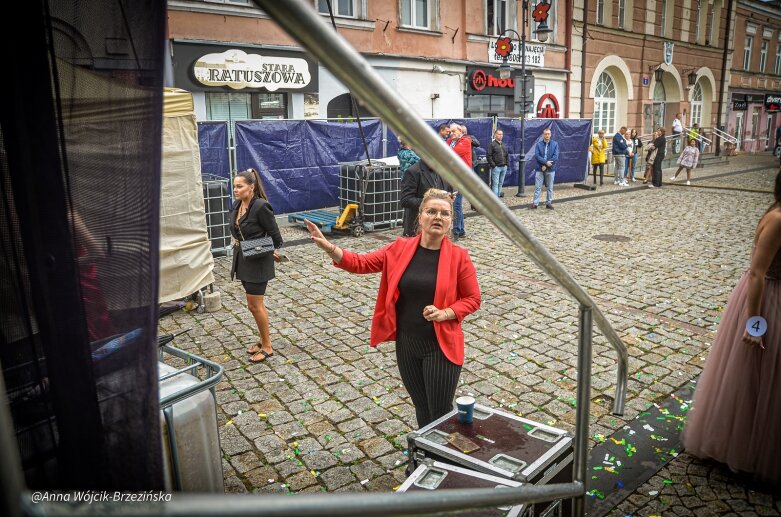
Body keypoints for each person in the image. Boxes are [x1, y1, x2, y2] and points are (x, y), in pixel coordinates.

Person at [305, 189, 481, 429]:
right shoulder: (400, 248)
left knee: (440, 413)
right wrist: (328, 247)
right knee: (421, 406)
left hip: (440, 347)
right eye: (431, 211)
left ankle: (444, 461)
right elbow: (361, 263)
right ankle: (424, 458)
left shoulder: (459, 257)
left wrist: (446, 312)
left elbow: (473, 298)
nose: (438, 217)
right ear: (420, 217)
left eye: (445, 213)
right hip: (407, 344)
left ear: (451, 220)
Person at [681, 170, 781, 489]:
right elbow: (757, 273)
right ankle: (737, 443)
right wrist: (755, 323)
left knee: (767, 377)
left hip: (773, 296)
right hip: (765, 299)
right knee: (753, 372)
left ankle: (752, 439)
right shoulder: (778, 218)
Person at [230, 168, 284, 363]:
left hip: (258, 261)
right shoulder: (237, 205)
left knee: (255, 305)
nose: (235, 189)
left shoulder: (261, 207)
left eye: (240, 186)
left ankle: (267, 346)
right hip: (243, 259)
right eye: (234, 186)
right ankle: (263, 340)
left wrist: (263, 249)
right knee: (253, 305)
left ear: (251, 187)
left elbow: (276, 238)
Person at [400, 160, 451, 237]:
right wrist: (431, 203)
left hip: (440, 229)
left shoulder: (443, 170)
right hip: (418, 228)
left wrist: (449, 198)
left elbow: (448, 189)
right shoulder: (413, 171)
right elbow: (406, 200)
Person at [447, 123, 472, 240]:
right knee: (457, 204)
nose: (451, 134)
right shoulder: (450, 142)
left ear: (460, 131)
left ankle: (456, 231)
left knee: (456, 203)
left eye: (453, 131)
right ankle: (461, 230)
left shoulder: (466, 141)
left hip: (461, 177)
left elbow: (450, 153)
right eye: (450, 132)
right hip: (452, 175)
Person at [531, 127, 560, 209]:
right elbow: (537, 156)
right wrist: (544, 163)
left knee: (550, 187)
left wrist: (546, 165)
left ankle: (549, 203)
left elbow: (555, 156)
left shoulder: (555, 144)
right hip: (540, 169)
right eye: (545, 134)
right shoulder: (538, 144)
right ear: (543, 135)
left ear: (550, 135)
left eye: (548, 134)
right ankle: (535, 203)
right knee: (537, 187)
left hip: (551, 169)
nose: (547, 135)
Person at [487, 129, 509, 197]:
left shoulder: (503, 145)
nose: (501, 136)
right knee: (495, 184)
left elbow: (507, 155)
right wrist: (494, 165)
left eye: (502, 134)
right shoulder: (492, 145)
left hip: (504, 167)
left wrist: (506, 164)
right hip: (496, 168)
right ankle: (495, 201)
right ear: (495, 135)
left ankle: (498, 199)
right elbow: (488, 156)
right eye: (499, 134)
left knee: (500, 184)